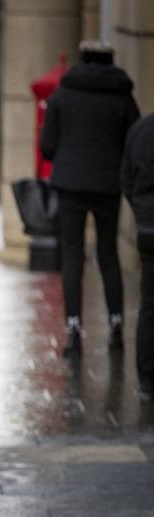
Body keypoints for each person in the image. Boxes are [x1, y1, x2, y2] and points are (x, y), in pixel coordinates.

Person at [40, 40, 140, 355]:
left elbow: (47, 146)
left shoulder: (62, 95)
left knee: (72, 257)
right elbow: (134, 142)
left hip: (70, 185)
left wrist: (68, 160)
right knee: (108, 254)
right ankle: (116, 325)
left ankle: (73, 330)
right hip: (108, 185)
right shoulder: (123, 98)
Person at [121, 113, 154, 395]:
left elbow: (126, 179)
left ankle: (147, 378)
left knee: (149, 303)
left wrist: (142, 212)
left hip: (148, 227)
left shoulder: (141, 128)